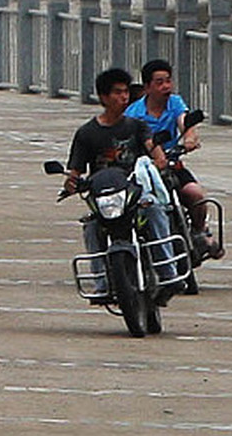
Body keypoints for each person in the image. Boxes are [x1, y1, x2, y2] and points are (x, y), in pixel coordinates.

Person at [64, 67, 173, 301]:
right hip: (105, 197)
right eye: (117, 93)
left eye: (125, 92)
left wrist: (158, 160)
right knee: (91, 227)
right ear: (103, 97)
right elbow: (75, 170)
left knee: (154, 209)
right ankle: (102, 283)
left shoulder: (136, 126)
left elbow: (153, 148)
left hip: (135, 193)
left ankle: (168, 273)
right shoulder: (87, 133)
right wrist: (71, 183)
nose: (123, 97)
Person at [125, 58, 218, 258]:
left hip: (171, 163)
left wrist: (189, 138)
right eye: (159, 82)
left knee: (195, 194)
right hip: (144, 169)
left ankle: (200, 231)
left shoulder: (175, 102)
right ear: (147, 87)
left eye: (168, 81)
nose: (166, 86)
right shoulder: (133, 113)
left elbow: (185, 122)